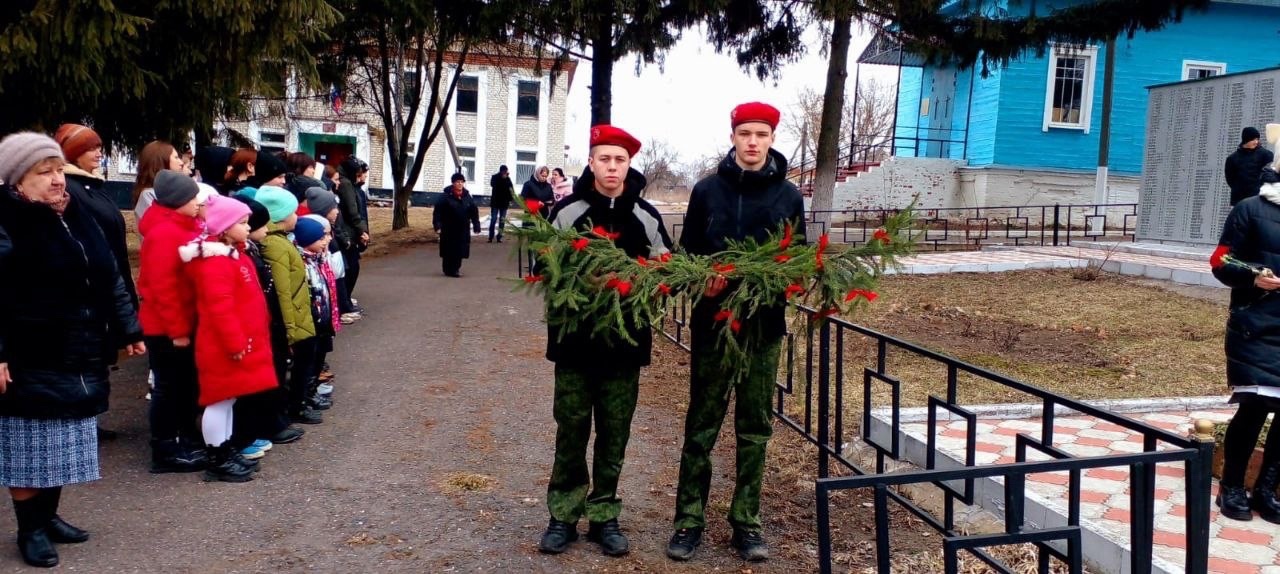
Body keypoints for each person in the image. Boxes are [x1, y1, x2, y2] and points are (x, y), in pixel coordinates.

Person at [667, 102, 805, 563]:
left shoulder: (789, 196)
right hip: (713, 326)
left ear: (771, 139)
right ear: (732, 136)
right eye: (744, 133)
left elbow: (797, 258)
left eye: (760, 134)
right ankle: (688, 521)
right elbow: (688, 254)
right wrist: (701, 278)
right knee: (702, 424)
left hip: (763, 327)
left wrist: (784, 279)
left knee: (754, 427)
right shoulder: (707, 191)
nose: (752, 142)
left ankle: (746, 522)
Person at [0, 132, 145, 567]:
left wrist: (128, 327)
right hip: (31, 351)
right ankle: (30, 530)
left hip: (78, 347)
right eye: (44, 173)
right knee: (29, 443)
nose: (58, 180)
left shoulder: (74, 211)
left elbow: (109, 275)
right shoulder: (8, 220)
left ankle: (48, 516)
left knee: (63, 439)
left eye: (59, 169)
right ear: (15, 182)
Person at [537, 126, 672, 557]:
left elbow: (665, 270)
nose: (612, 167)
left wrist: (647, 281)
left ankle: (604, 515)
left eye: (620, 160)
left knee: (614, 434)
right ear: (591, 162)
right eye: (604, 159)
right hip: (575, 347)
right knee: (572, 431)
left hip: (624, 347)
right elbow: (546, 270)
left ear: (629, 164)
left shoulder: (647, 217)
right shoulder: (567, 212)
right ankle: (563, 514)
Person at [180, 196, 279, 482]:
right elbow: (219, 308)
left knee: (229, 399)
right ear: (224, 227)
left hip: (237, 342)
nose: (248, 228)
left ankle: (226, 447)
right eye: (243, 222)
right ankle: (217, 456)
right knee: (219, 400)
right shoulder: (215, 263)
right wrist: (234, 342)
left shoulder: (234, 255)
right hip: (222, 345)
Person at [1211, 148, 1280, 523]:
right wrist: (1254, 275)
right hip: (1256, 325)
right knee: (1254, 408)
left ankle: (1267, 490)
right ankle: (1233, 486)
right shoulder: (1251, 208)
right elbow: (1220, 260)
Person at [137, 170, 211, 474]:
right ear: (177, 200)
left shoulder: (187, 227)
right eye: (192, 197)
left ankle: (186, 438)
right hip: (167, 327)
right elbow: (162, 288)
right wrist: (178, 330)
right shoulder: (164, 234)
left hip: (187, 321)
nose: (198, 201)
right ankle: (165, 449)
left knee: (186, 385)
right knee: (169, 388)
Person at [227, 196, 303, 457]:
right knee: (250, 387)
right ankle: (243, 437)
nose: (261, 228)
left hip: (267, 323)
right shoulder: (244, 255)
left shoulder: (253, 250)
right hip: (257, 327)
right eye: (250, 223)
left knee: (270, 375)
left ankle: (259, 428)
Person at [255, 186, 323, 425]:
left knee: (304, 364)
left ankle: (298, 403)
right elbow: (282, 292)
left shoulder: (282, 241)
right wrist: (291, 331)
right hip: (293, 319)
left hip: (300, 314)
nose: (298, 216)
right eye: (293, 211)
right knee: (294, 366)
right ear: (281, 215)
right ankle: (293, 408)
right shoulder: (275, 245)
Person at [56, 124, 136, 308]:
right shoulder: (69, 188)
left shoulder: (94, 185)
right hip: (97, 288)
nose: (99, 154)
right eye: (91, 149)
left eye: (99, 148)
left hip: (114, 277)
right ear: (74, 152)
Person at [433, 173, 481, 277]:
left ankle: (455, 269)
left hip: (462, 228)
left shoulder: (467, 196)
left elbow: (473, 211)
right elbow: (438, 212)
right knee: (449, 249)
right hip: (448, 228)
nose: (460, 184)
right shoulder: (445, 196)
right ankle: (447, 269)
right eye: (457, 182)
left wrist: (476, 224)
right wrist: (437, 225)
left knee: (460, 249)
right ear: (453, 183)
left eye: (461, 182)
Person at [335, 156, 369, 305]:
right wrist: (362, 231)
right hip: (348, 232)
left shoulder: (350, 185)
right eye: (359, 174)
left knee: (351, 267)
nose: (361, 177)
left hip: (350, 231)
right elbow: (353, 211)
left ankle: (346, 299)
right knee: (350, 268)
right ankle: (344, 302)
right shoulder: (346, 185)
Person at [132, 140, 187, 224]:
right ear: (160, 161)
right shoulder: (148, 195)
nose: (181, 162)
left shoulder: (172, 191)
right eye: (176, 158)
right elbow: (163, 227)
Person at [1226, 127, 1276, 206]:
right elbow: (1230, 179)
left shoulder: (1265, 155)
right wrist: (1239, 188)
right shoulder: (1232, 158)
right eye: (1253, 139)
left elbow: (1271, 174)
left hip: (1258, 199)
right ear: (1246, 140)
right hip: (1239, 200)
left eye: (1257, 139)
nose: (1256, 142)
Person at [488, 165, 514, 243]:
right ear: (501, 171)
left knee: (502, 221)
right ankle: (490, 236)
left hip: (504, 203)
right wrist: (502, 179)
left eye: (506, 171)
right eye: (504, 171)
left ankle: (499, 236)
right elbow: (493, 185)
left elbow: (511, 189)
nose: (505, 173)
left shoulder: (508, 179)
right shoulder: (495, 177)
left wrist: (511, 199)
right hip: (495, 202)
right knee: (493, 219)